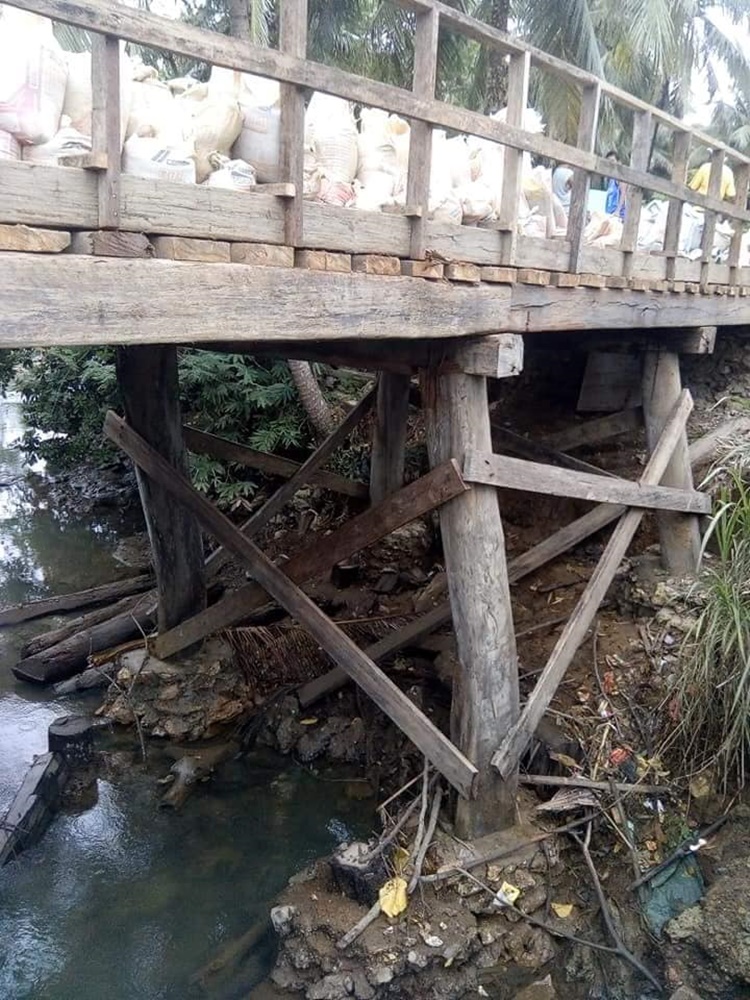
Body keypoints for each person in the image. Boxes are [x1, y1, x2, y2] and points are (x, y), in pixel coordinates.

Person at [604, 150, 626, 220]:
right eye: (608, 162)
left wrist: (618, 211)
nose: (610, 164)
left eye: (612, 161)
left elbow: (623, 193)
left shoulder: (621, 177)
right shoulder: (611, 179)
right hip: (610, 213)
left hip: (618, 215)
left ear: (618, 162)